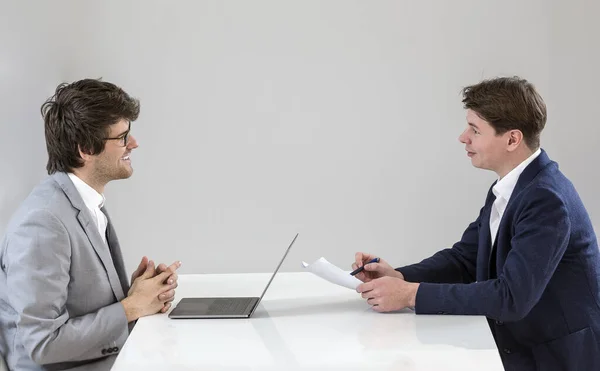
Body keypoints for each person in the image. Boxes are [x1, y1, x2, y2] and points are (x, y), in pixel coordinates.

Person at [353, 76, 600, 371]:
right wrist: (399, 276)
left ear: (512, 139)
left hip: (558, 358)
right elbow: (464, 259)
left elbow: (511, 297)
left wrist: (410, 295)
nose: (463, 137)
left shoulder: (545, 199)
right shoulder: (512, 187)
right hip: (523, 347)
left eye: (474, 130)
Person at [0, 79, 181, 371]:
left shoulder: (82, 203)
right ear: (85, 148)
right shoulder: (42, 224)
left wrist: (136, 294)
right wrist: (131, 307)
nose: (133, 144)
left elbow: (81, 305)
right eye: (122, 137)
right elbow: (42, 344)